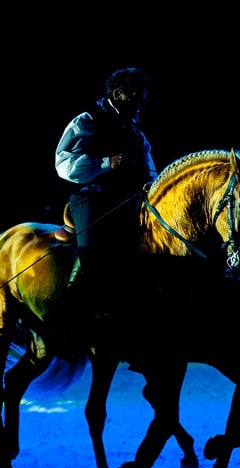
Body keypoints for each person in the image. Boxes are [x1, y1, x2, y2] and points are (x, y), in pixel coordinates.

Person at [54, 67, 158, 322]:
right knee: (92, 250)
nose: (139, 105)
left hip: (126, 202)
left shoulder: (137, 134)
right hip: (91, 198)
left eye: (142, 99)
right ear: (116, 94)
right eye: (134, 97)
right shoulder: (87, 121)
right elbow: (63, 163)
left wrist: (150, 185)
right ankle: (66, 311)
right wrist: (105, 164)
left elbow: (151, 170)